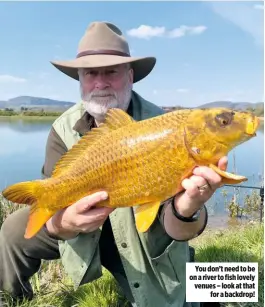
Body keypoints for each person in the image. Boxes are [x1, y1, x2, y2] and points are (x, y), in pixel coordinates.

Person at [0, 21, 227, 307]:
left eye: (111, 72)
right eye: (91, 73)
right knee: (12, 231)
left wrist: (187, 209)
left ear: (130, 76)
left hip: (144, 234)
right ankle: (12, 300)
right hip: (83, 231)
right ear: (80, 80)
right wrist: (64, 224)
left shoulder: (169, 128)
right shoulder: (62, 127)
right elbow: (54, 198)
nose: (100, 82)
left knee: (198, 296)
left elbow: (179, 228)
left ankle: (209, 284)